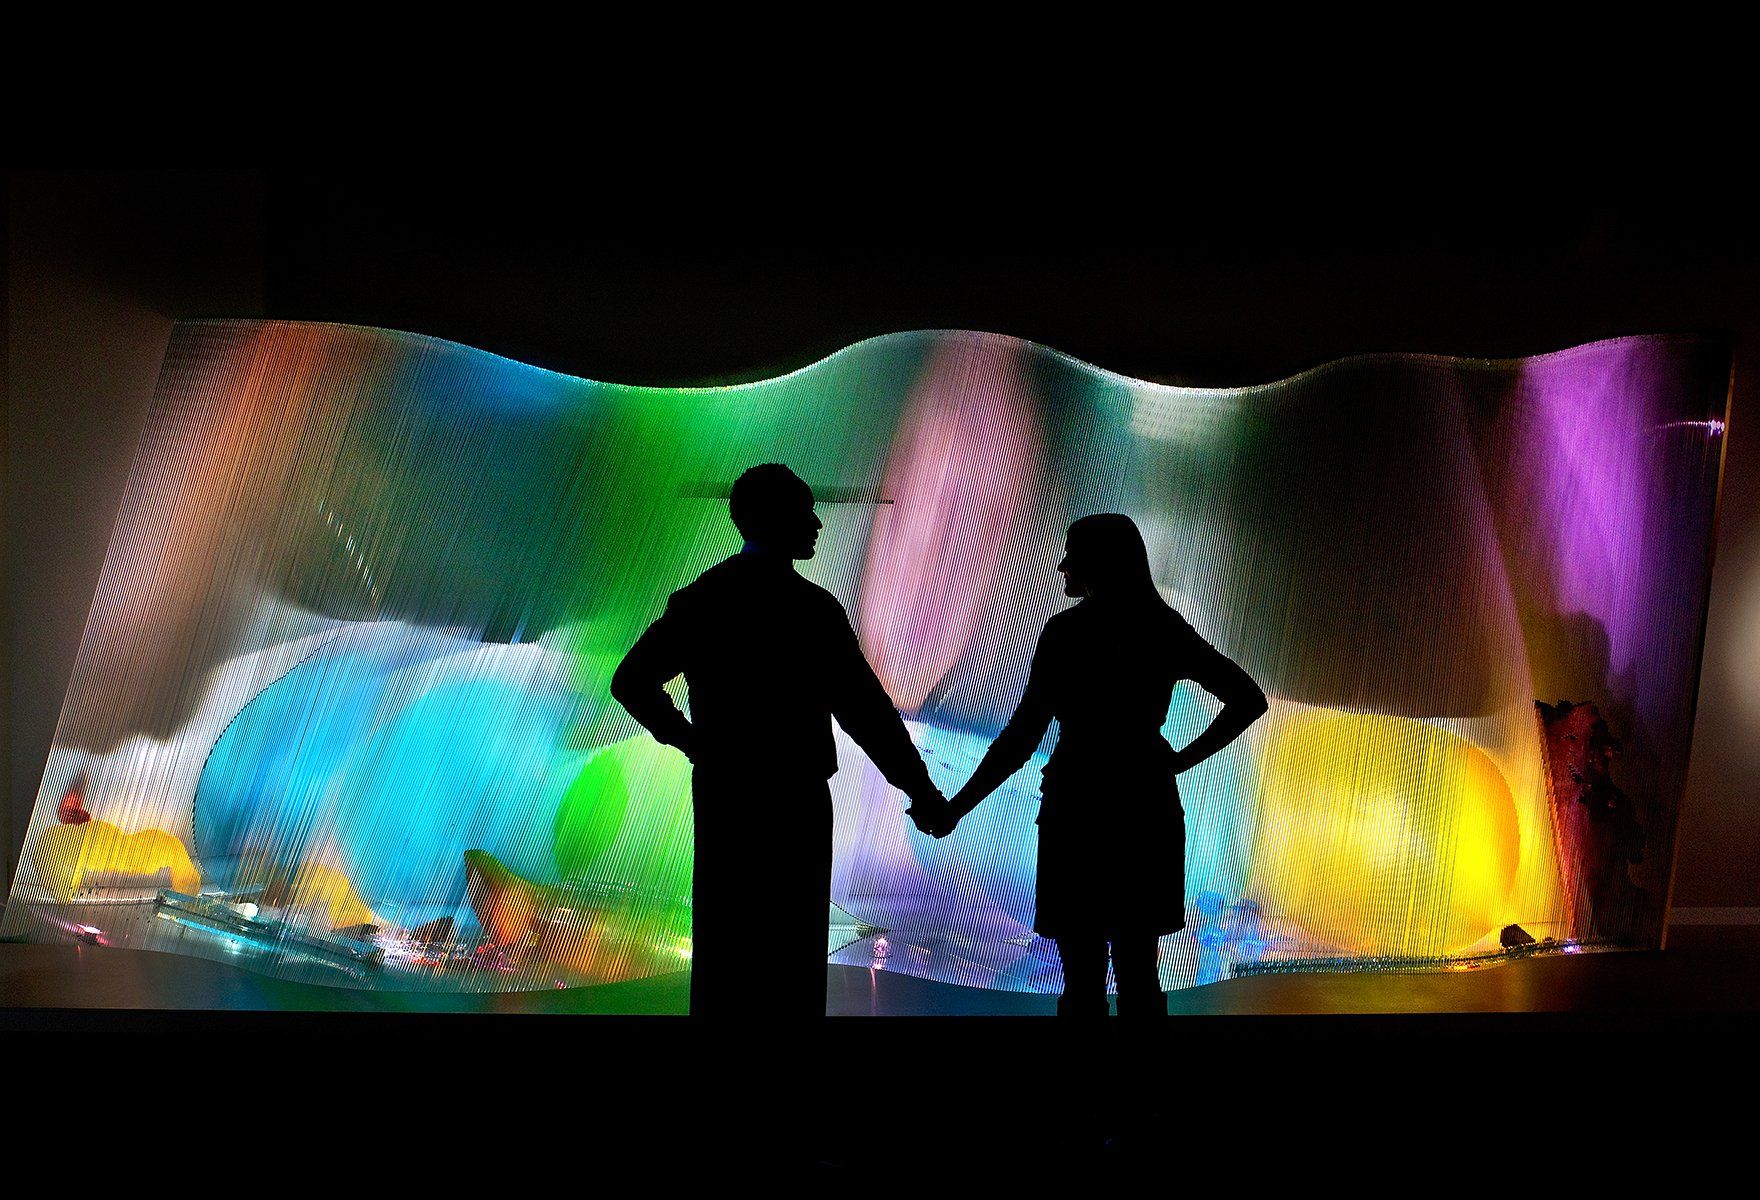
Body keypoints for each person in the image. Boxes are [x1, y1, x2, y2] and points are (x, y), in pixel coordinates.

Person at [611, 463, 947, 1020]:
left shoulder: (703, 599)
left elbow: (631, 682)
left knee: (727, 941)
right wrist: (921, 790)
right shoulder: (813, 611)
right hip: (796, 798)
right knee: (794, 948)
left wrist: (692, 741)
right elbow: (868, 715)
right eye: (805, 510)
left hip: (726, 793)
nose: (817, 522)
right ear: (781, 517)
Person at [921, 513, 1267, 1018]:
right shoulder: (1162, 626)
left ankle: (1083, 1087)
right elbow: (1246, 700)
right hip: (1146, 804)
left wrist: (956, 806)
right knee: (1140, 972)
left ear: (1093, 565)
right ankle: (1141, 1090)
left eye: (1072, 556)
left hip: (1076, 803)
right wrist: (1176, 760)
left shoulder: (1067, 633)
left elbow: (1023, 736)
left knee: (1081, 976)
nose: (1062, 567)